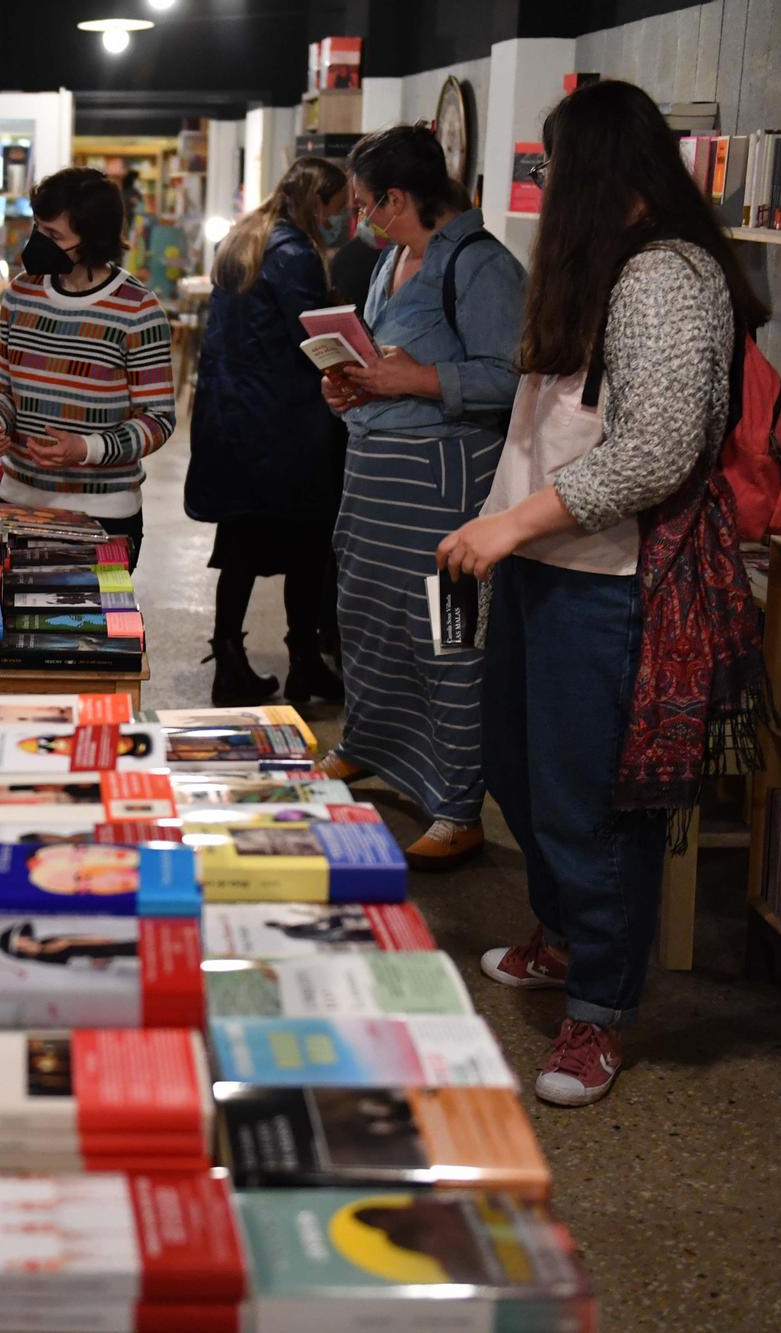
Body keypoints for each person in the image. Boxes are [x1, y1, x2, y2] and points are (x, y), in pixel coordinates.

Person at [438, 80, 766, 1107]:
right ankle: (562, 934)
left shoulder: (667, 276)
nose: (539, 182)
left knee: (591, 807)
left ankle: (599, 1011)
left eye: (550, 164)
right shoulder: (605, 267)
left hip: (608, 580)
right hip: (546, 566)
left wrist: (511, 523)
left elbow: (657, 452)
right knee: (520, 773)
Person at [318, 125, 525, 871]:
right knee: (367, 618)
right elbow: (384, 358)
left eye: (367, 204)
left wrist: (414, 380)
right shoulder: (394, 261)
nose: (361, 218)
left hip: (443, 491)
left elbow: (511, 379)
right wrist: (352, 385)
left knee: (449, 636)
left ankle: (456, 805)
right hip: (376, 480)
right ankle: (367, 741)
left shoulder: (481, 265)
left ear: (399, 198)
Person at [186, 154, 352, 706]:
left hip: (235, 419)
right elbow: (313, 339)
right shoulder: (296, 253)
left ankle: (229, 657)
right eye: (340, 208)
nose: (345, 220)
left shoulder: (245, 240)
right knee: (307, 546)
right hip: (284, 424)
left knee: (239, 548)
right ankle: (304, 660)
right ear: (318, 203)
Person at [0, 166, 176, 568]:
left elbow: (158, 421)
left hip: (104, 514)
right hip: (19, 503)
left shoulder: (139, 310)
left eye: (53, 236)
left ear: (92, 240)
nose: (37, 243)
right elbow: (0, 387)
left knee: (91, 630)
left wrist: (86, 449)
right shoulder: (20, 294)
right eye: (38, 229)